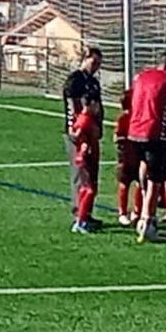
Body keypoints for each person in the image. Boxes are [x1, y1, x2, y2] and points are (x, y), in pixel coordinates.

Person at [127, 49, 166, 243]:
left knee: (143, 171)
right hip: (154, 132)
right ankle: (147, 221)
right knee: (155, 180)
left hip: (134, 131)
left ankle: (139, 211)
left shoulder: (141, 76)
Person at [61, 47, 104, 227]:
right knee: (81, 173)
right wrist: (75, 130)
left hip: (91, 132)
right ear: (85, 59)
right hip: (79, 133)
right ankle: (78, 214)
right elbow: (72, 108)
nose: (96, 67)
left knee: (92, 173)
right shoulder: (75, 80)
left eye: (99, 64)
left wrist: (98, 127)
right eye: (94, 62)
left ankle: (87, 212)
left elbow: (98, 107)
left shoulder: (93, 82)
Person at [69, 95, 101, 234]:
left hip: (88, 157)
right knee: (89, 190)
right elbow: (76, 135)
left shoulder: (85, 118)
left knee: (85, 189)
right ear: (91, 104)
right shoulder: (85, 120)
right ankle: (81, 222)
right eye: (96, 104)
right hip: (86, 158)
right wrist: (83, 146)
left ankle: (81, 219)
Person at [113, 90, 142, 227]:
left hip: (138, 155)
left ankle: (137, 211)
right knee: (124, 184)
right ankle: (122, 213)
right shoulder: (123, 119)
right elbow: (116, 137)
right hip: (125, 157)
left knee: (140, 183)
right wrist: (129, 139)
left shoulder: (138, 117)